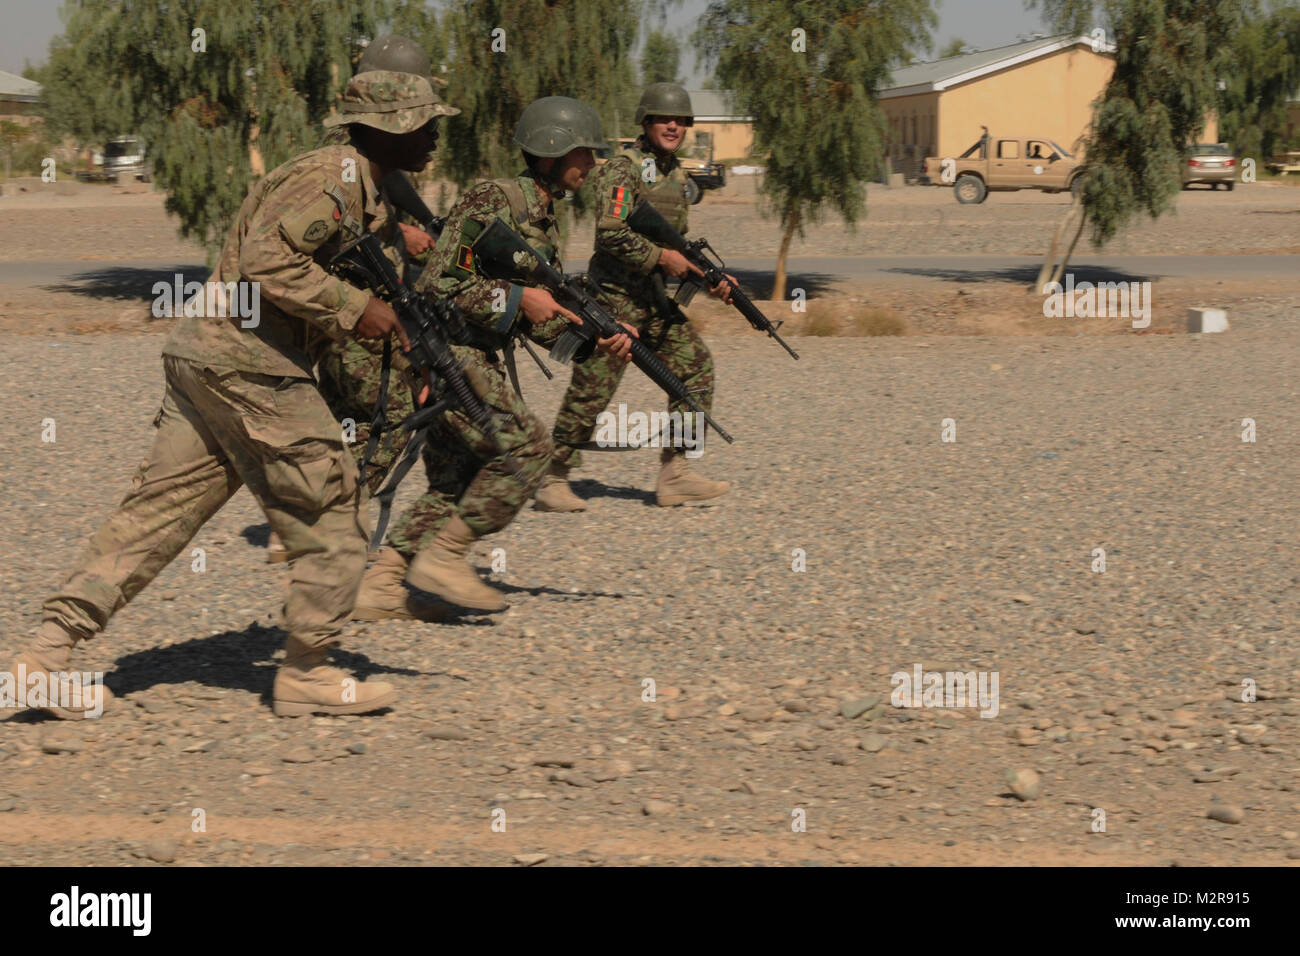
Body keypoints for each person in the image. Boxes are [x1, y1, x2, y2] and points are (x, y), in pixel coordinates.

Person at [8, 71, 441, 718]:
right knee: (333, 503)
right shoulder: (335, 180)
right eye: (426, 123)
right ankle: (307, 673)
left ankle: (39, 660)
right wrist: (357, 308)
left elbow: (310, 253)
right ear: (392, 126)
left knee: (155, 514)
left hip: (209, 358)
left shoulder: (360, 189)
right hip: (251, 367)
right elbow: (269, 262)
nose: (435, 136)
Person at [351, 96, 633, 617]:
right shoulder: (493, 200)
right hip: (450, 352)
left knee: (455, 481)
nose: (592, 166)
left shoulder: (542, 218)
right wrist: (517, 297)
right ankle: (446, 557)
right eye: (583, 154)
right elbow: (439, 284)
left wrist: (597, 337)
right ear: (551, 153)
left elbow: (537, 320)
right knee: (529, 450)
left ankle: (382, 584)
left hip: (474, 356)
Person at [540, 83, 735, 512]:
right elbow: (610, 233)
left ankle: (675, 474)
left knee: (696, 369)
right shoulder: (622, 169)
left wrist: (712, 278)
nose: (673, 126)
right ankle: (553, 477)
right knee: (592, 391)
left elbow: (677, 245)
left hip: (654, 302)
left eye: (681, 120)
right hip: (612, 300)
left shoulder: (678, 175)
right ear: (646, 122)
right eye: (665, 119)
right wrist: (660, 257)